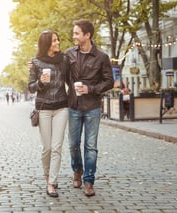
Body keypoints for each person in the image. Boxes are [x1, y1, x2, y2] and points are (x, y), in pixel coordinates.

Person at [65, 19, 114, 197]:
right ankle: (77, 169)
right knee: (73, 144)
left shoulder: (102, 57)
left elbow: (109, 81)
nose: (74, 36)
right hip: (74, 106)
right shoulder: (69, 54)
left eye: (77, 33)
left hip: (93, 106)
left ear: (87, 35)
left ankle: (88, 180)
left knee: (91, 146)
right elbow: (62, 75)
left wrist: (90, 89)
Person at [28, 30, 69, 198]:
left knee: (57, 147)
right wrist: (39, 83)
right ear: (46, 44)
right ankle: (47, 175)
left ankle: (52, 183)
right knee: (47, 148)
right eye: (54, 41)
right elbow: (30, 87)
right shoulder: (35, 63)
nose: (57, 43)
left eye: (58, 40)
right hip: (44, 107)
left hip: (61, 107)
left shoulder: (64, 60)